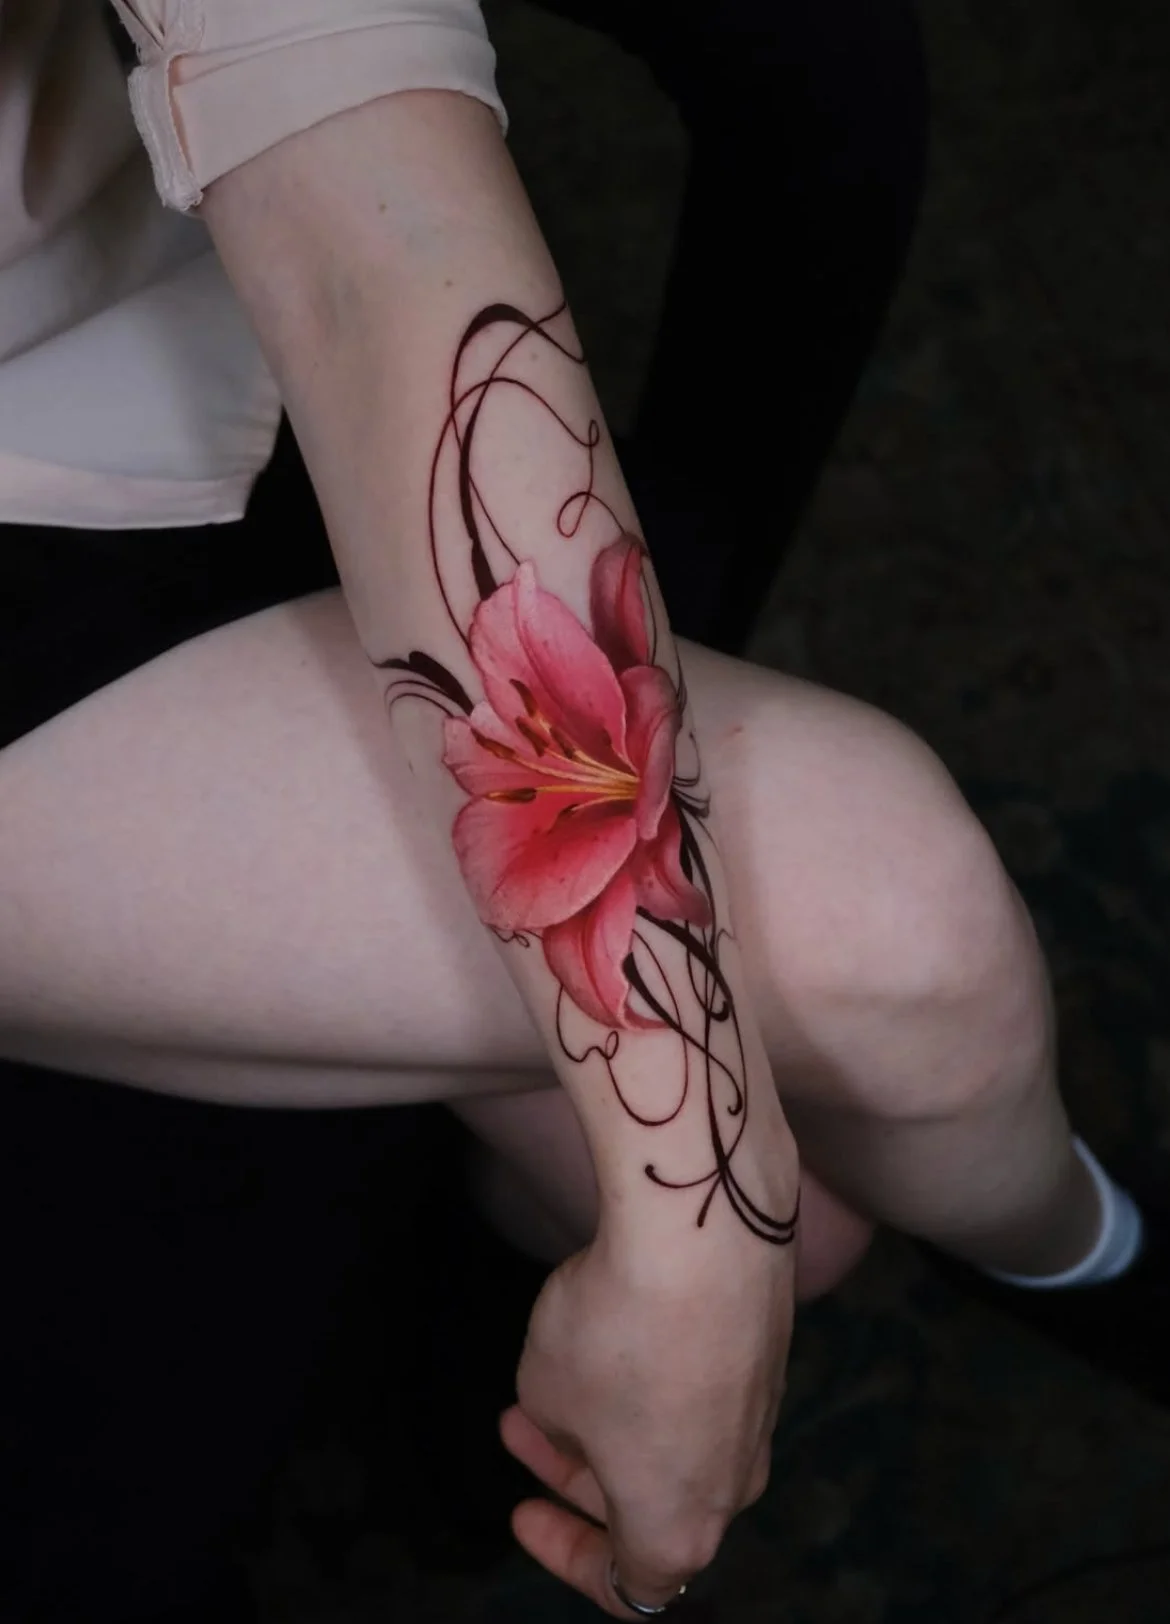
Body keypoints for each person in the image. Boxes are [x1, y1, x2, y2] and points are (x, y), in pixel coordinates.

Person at [0, 4, 1155, 1622]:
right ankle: (1098, 1257)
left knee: (802, 1211)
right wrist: (695, 1206)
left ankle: (1063, 1248)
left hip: (146, 296)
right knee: (894, 950)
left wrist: (690, 1209)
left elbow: (363, 209)